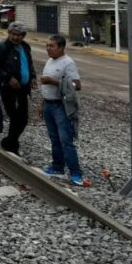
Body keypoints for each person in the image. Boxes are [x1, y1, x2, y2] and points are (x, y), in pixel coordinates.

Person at [39, 35, 84, 185]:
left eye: (52, 46)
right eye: (47, 46)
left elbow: (77, 85)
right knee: (54, 138)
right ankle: (58, 167)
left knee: (66, 140)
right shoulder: (49, 61)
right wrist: (42, 103)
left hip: (61, 106)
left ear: (61, 47)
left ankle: (76, 173)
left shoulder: (68, 63)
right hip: (48, 104)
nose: (48, 49)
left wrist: (54, 81)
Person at [0, 21, 36, 155]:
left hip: (23, 88)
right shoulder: (2, 47)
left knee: (24, 119)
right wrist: (8, 78)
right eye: (13, 34)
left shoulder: (25, 46)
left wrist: (32, 76)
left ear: (23, 36)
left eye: (19, 35)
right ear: (9, 34)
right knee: (14, 117)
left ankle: (9, 141)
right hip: (8, 88)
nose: (15, 37)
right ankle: (12, 147)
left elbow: (29, 63)